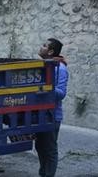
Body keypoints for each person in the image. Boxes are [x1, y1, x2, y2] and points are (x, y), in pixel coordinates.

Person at [35, 38, 68, 177]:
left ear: (51, 51)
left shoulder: (60, 69)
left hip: (52, 115)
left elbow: (61, 93)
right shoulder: (44, 65)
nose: (41, 47)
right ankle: (43, 173)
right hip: (41, 114)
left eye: (44, 45)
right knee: (40, 147)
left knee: (50, 149)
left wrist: (46, 89)